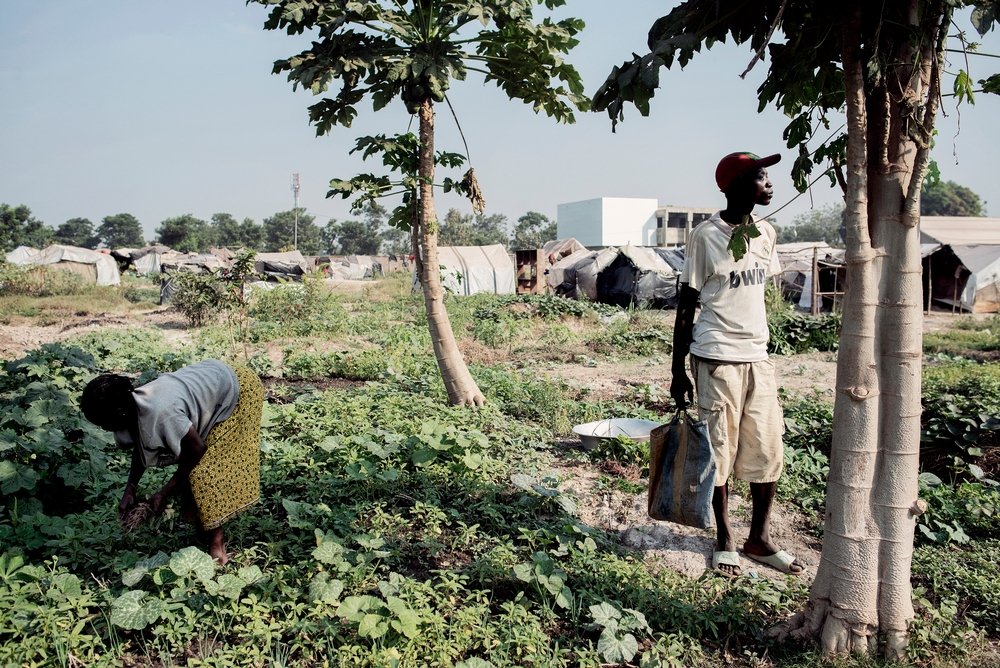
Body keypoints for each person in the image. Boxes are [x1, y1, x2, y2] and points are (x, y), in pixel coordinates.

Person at [670, 151, 804, 577]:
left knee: (767, 448)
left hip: (757, 359)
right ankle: (725, 536)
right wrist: (677, 370)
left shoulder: (767, 234)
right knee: (719, 451)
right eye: (761, 178)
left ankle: (759, 538)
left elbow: (760, 295)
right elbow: (686, 305)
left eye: (767, 178)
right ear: (734, 186)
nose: (769, 185)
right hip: (715, 357)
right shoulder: (705, 236)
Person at [80, 359, 263, 565]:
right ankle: (203, 525)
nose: (104, 429)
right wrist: (130, 488)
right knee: (189, 475)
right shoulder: (130, 407)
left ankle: (217, 545)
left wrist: (165, 492)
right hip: (214, 378)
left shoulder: (162, 412)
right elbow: (140, 447)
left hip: (238, 389)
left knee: (203, 474)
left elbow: (196, 450)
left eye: (104, 423)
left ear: (120, 413)